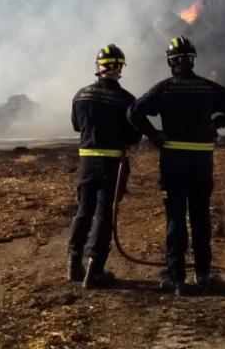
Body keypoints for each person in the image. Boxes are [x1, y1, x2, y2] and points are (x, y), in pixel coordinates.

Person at [128, 36, 225, 295]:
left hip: (173, 161)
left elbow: (133, 112)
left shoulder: (165, 89)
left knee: (175, 217)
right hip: (201, 161)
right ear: (192, 60)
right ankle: (203, 275)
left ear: (170, 62)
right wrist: (218, 123)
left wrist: (155, 136)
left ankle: (176, 278)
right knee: (200, 215)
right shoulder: (207, 88)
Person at [68, 44, 141, 288]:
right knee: (104, 214)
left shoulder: (81, 95)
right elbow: (134, 137)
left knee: (83, 210)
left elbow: (77, 126)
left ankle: (73, 263)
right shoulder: (127, 100)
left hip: (87, 163)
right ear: (120, 69)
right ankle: (95, 270)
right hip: (112, 165)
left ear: (98, 67)